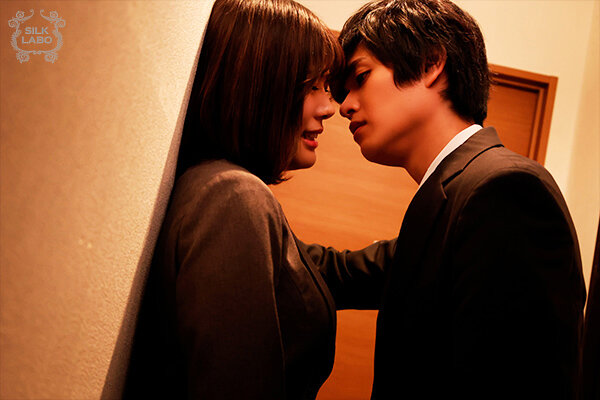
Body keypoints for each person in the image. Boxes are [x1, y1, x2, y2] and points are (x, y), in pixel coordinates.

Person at [124, 0, 394, 399]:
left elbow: (334, 272)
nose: (329, 107)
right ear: (260, 87)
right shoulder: (232, 197)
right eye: (313, 86)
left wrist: (446, 229)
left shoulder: (212, 185)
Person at [331, 0, 587, 398]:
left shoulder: (503, 192)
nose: (344, 106)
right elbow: (342, 273)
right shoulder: (454, 199)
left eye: (360, 77)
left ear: (431, 64)